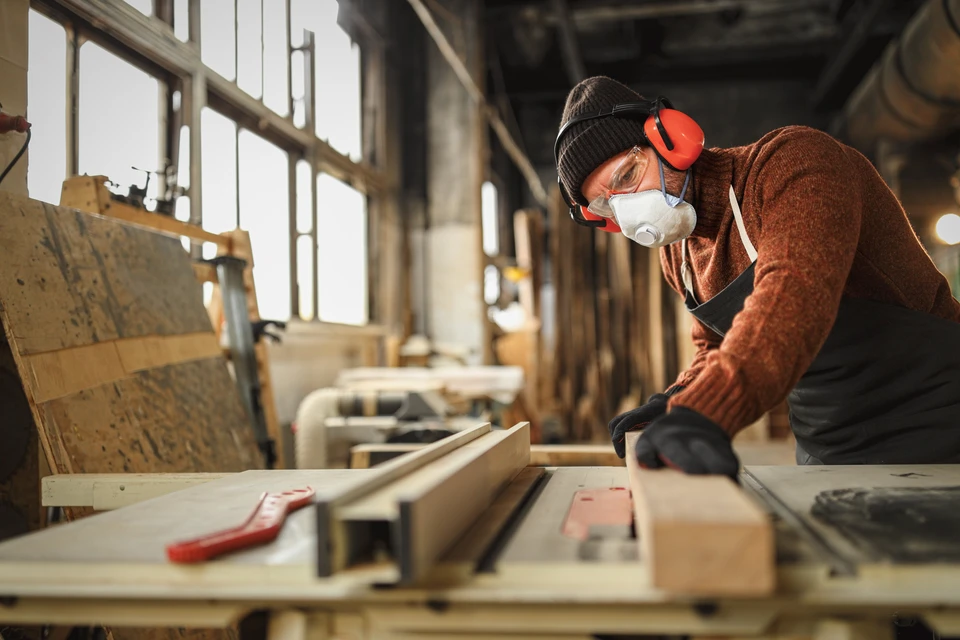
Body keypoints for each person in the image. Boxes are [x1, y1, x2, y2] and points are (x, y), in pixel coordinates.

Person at [553, 76, 960, 477]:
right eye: (606, 206)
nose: (627, 211)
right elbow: (715, 345)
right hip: (830, 444)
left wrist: (708, 411)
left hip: (937, 416)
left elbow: (794, 294)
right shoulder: (678, 252)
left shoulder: (794, 163)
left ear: (669, 139)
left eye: (626, 177)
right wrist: (679, 399)